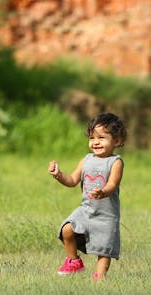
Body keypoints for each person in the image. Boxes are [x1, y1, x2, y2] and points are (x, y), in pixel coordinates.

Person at [48, 113, 126, 280]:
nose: (95, 142)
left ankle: (100, 276)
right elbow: (72, 180)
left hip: (106, 215)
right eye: (92, 137)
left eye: (102, 137)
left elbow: (113, 184)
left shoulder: (115, 162)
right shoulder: (86, 160)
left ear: (117, 141)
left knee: (103, 248)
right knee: (66, 229)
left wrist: (103, 192)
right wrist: (59, 175)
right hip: (86, 210)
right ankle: (74, 262)